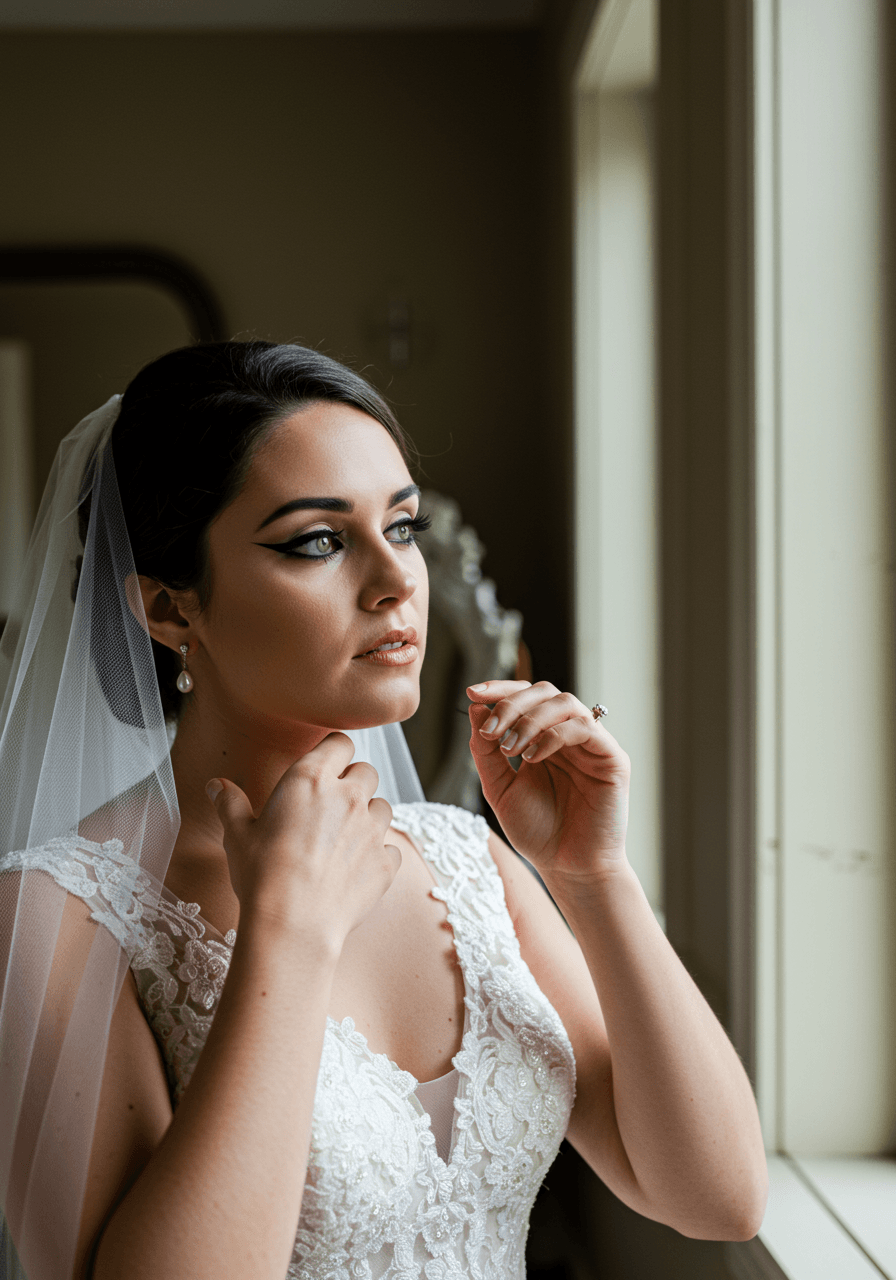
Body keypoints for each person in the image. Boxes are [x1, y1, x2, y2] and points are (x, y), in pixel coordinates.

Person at [0, 341, 767, 1280]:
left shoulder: (466, 862)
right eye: (317, 541)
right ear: (168, 609)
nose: (395, 580)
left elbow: (718, 1197)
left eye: (400, 527)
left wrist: (593, 877)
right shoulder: (54, 915)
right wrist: (287, 936)